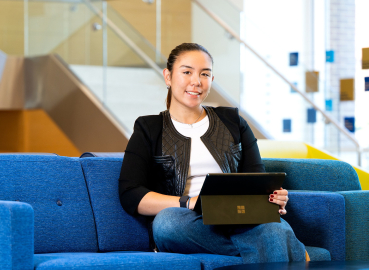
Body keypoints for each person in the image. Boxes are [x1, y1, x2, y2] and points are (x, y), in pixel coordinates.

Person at [118, 43, 307, 263]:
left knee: (271, 227)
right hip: (187, 220)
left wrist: (272, 197)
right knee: (166, 223)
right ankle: (284, 245)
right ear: (168, 77)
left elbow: (255, 180)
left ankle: (271, 240)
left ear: (212, 80)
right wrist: (189, 202)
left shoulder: (233, 122)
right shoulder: (149, 128)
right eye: (187, 72)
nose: (196, 81)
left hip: (239, 218)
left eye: (204, 74)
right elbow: (130, 194)